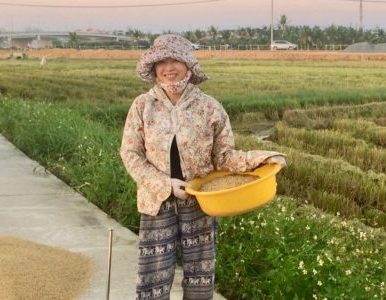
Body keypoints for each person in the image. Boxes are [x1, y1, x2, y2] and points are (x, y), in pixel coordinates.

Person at [120, 34, 286, 300]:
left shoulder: (209, 107)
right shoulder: (143, 106)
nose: (169, 67)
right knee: (153, 278)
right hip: (156, 201)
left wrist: (263, 158)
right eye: (162, 62)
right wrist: (164, 185)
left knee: (200, 277)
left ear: (189, 65)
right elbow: (130, 153)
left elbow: (224, 156)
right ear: (153, 69)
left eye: (175, 60)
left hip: (201, 202)